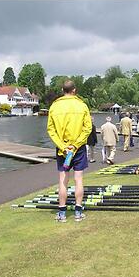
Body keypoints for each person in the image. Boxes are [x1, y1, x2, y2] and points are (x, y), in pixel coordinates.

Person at [47, 80, 92, 223]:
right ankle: (78, 213)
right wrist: (76, 145)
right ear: (74, 90)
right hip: (77, 149)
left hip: (63, 150)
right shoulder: (82, 105)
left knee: (63, 180)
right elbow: (87, 128)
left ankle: (62, 213)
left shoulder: (54, 106)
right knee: (78, 179)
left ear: (62, 90)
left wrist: (63, 146)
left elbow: (51, 130)